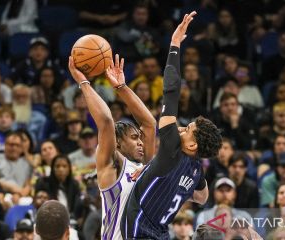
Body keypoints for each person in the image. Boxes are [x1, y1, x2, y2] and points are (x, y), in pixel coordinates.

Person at [120, 12, 222, 239]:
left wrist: (175, 44)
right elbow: (203, 198)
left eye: (187, 130)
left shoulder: (171, 149)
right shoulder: (196, 170)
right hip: (161, 234)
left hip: (139, 231)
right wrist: (156, 174)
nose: (181, 128)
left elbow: (171, 92)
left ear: (193, 145)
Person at [68, 50, 156, 239]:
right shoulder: (114, 167)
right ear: (117, 145)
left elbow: (149, 124)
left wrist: (122, 87)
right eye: (134, 138)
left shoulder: (146, 166)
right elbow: (106, 121)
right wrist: (83, 82)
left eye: (140, 138)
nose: (141, 142)